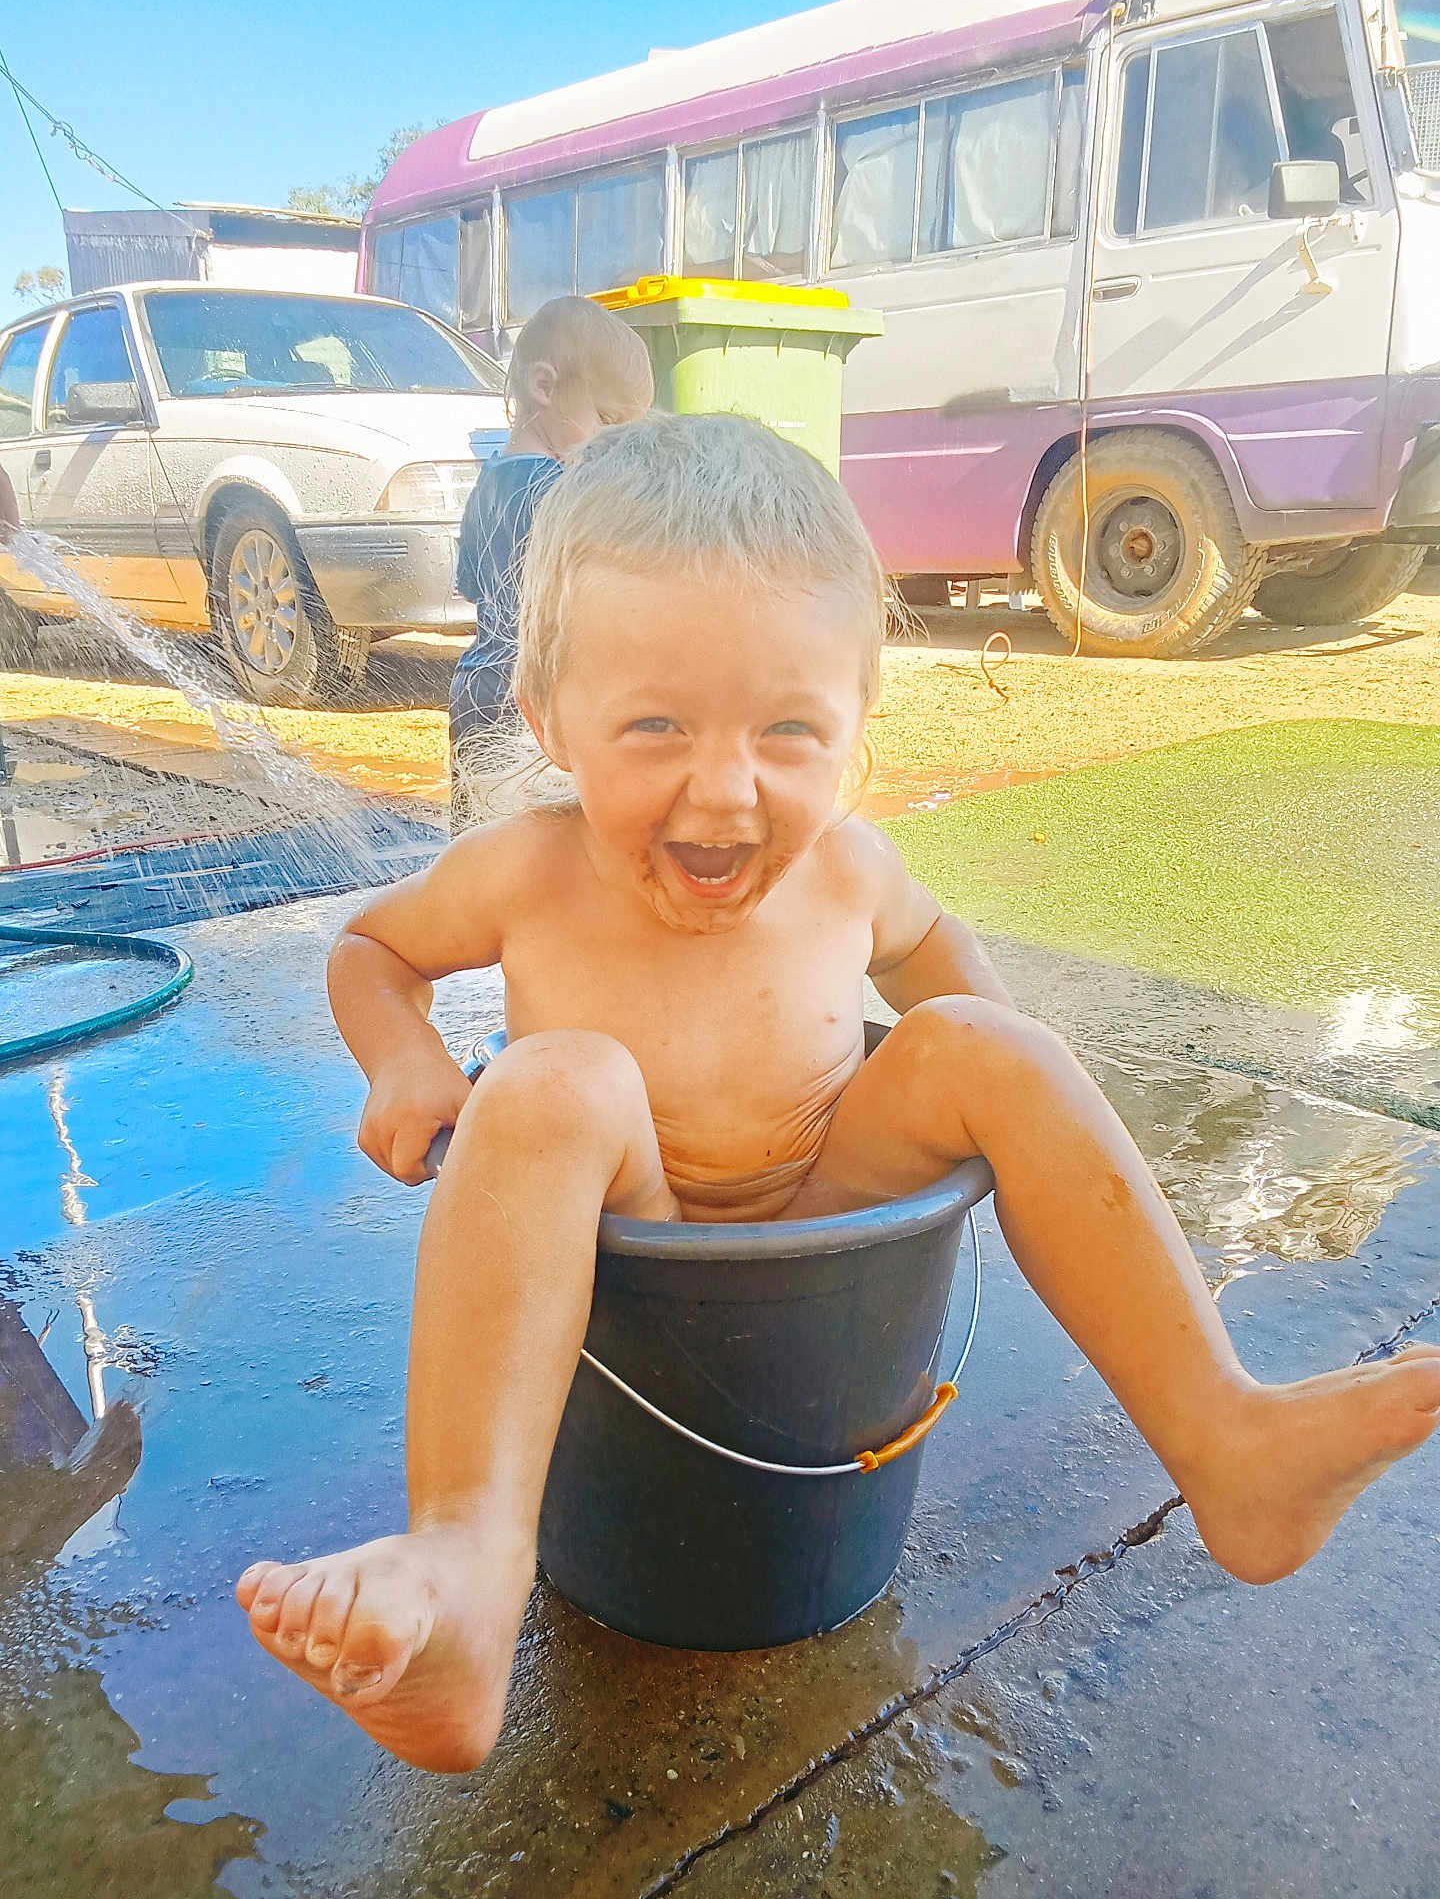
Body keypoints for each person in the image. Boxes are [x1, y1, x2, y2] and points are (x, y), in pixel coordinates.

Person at [237, 413, 1440, 1775]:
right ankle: (465, 1562)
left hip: (825, 1196)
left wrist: (1008, 1079)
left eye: (790, 730)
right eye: (654, 725)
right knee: (557, 1076)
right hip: (622, 1230)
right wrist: (406, 1061)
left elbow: (939, 963)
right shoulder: (525, 869)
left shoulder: (856, 872)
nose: (726, 788)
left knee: (994, 1046)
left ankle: (1229, 1443)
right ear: (547, 719)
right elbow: (370, 949)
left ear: (860, 726)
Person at [448, 295, 652, 831]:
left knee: (478, 843)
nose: (614, 445)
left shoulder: (488, 481)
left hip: (476, 686)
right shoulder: (558, 492)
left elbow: (470, 582)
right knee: (538, 841)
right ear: (544, 387)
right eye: (608, 420)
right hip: (532, 698)